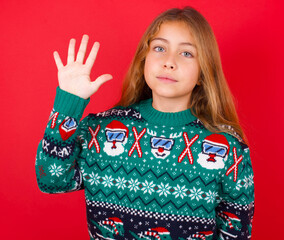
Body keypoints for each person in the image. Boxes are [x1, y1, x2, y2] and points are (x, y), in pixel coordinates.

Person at [35, 6, 255, 240]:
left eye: (187, 53)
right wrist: (69, 103)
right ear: (144, 60)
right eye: (159, 48)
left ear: (203, 72)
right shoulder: (100, 131)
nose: (169, 62)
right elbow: (51, 179)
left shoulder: (229, 147)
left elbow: (235, 233)